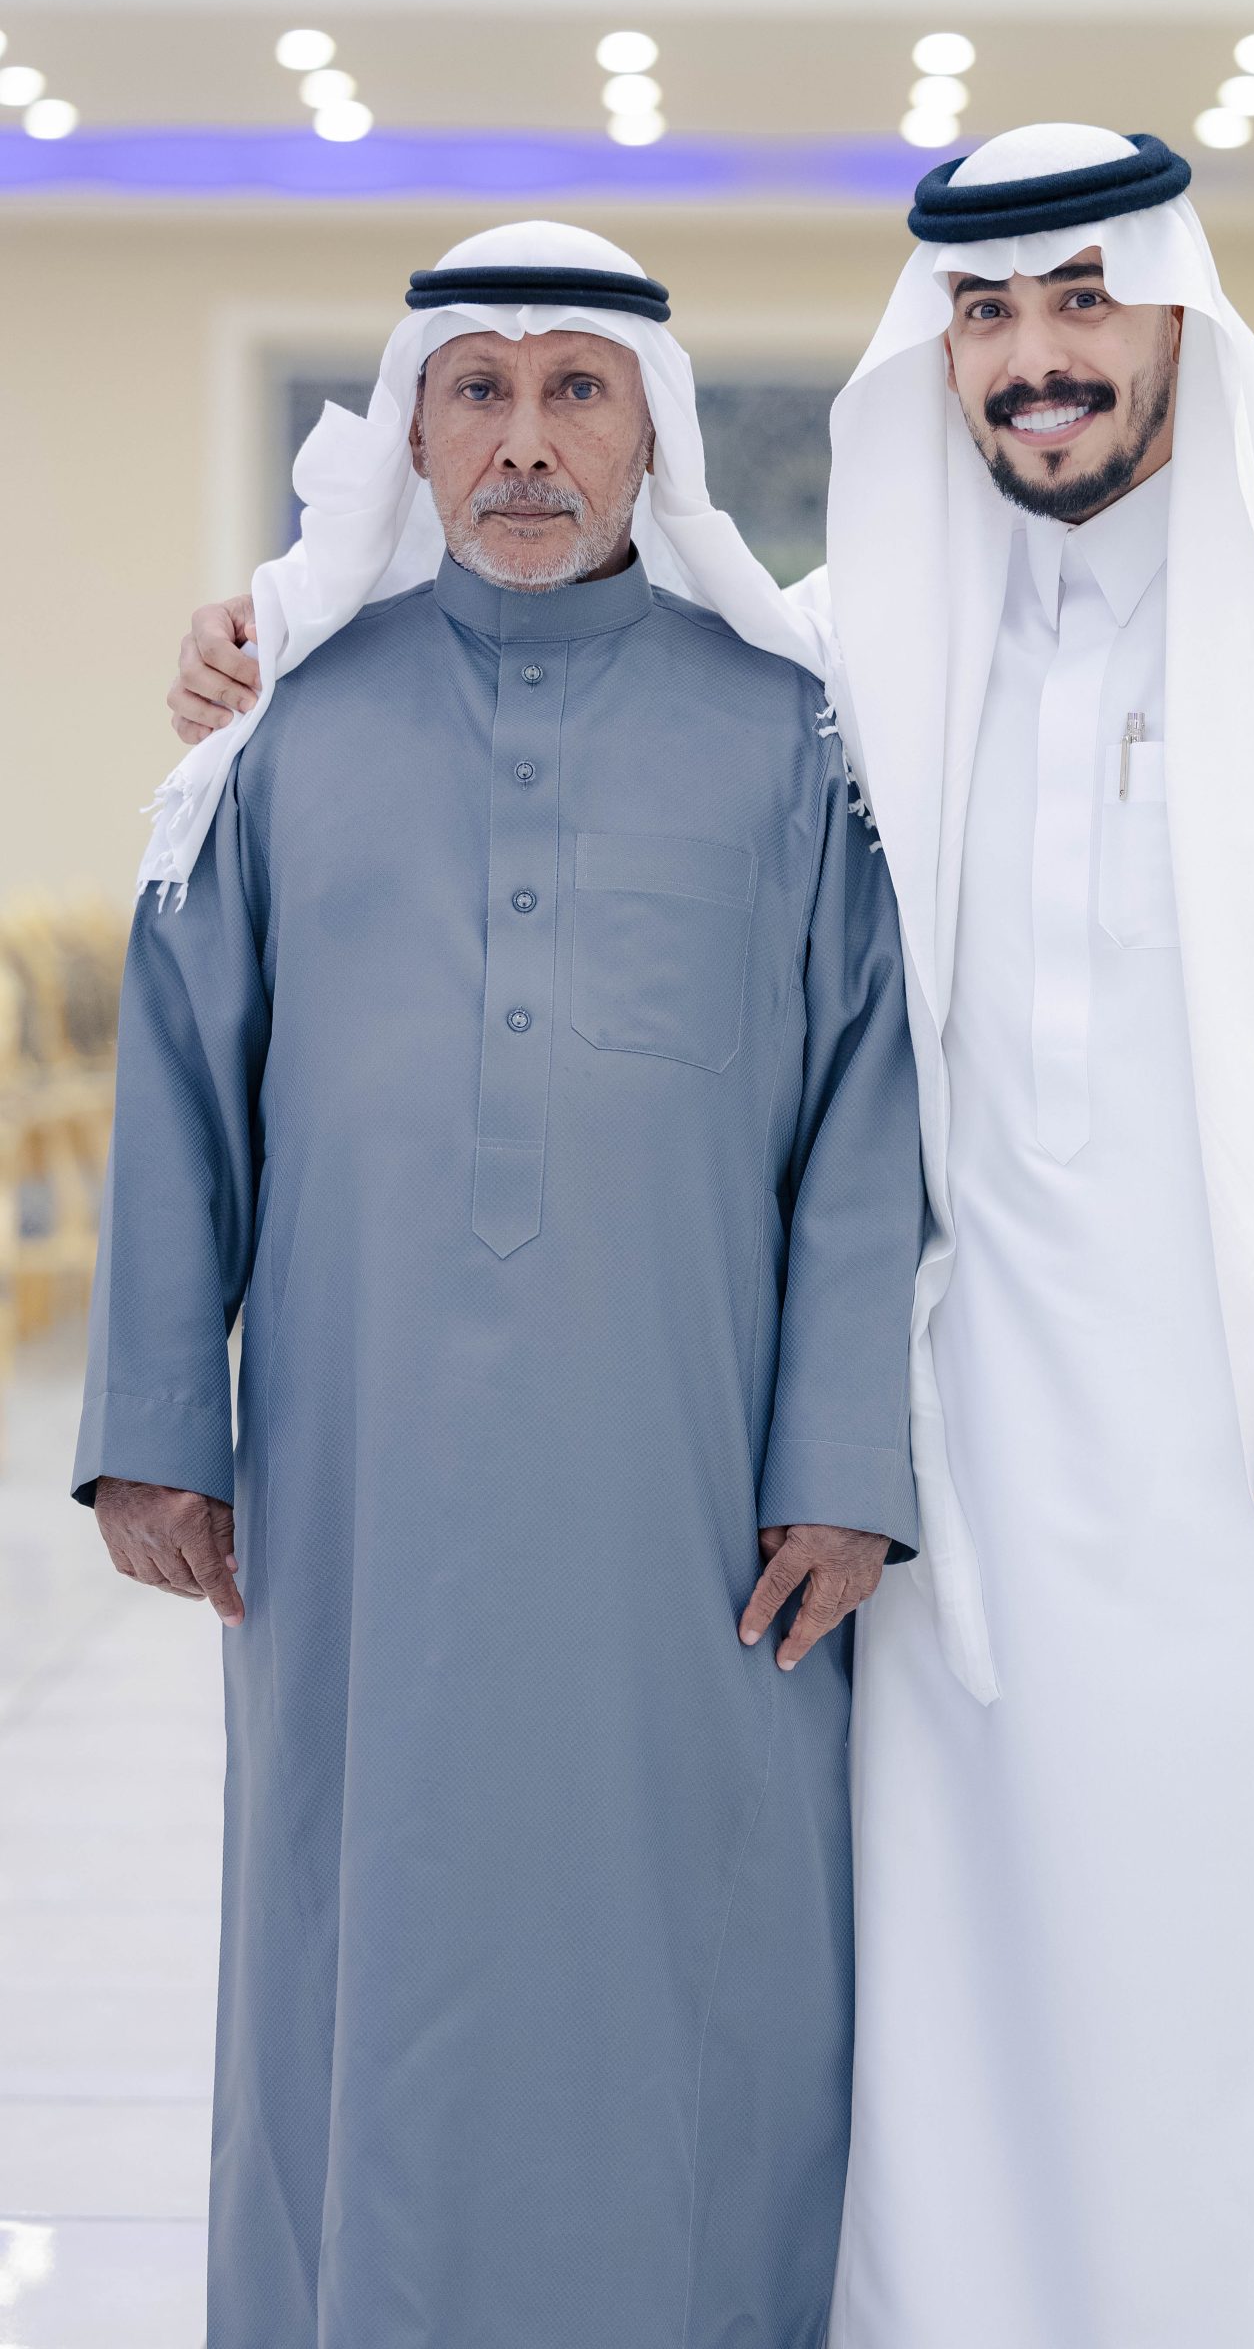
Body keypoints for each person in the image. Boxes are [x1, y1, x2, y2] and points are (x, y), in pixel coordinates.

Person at [170, 130, 1254, 2347]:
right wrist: (260, 636)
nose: (1035, 359)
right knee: (974, 1955)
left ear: (1177, 311)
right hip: (961, 1430)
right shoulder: (867, 625)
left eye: (1082, 302)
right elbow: (593, 631)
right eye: (987, 316)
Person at [79, 220, 925, 2349]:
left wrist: (842, 1458)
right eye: (480, 391)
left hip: (690, 1496)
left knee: (693, 1943)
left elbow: (866, 1111)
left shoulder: (790, 738)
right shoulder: (286, 730)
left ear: (654, 437)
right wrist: (158, 1428)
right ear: (413, 431)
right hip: (361, 1485)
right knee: (360, 1923)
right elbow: (181, 1070)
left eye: (577, 394)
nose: (526, 442)